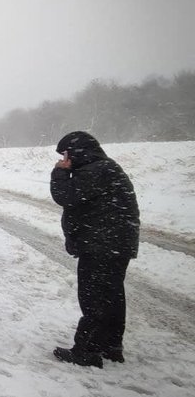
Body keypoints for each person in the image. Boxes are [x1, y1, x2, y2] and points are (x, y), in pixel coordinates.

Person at [50, 131, 140, 368]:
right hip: (113, 243)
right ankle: (111, 345)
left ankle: (88, 350)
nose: (65, 158)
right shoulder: (104, 168)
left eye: (66, 153)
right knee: (111, 295)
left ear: (77, 151)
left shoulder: (95, 170)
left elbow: (65, 196)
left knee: (93, 297)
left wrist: (60, 172)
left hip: (102, 244)